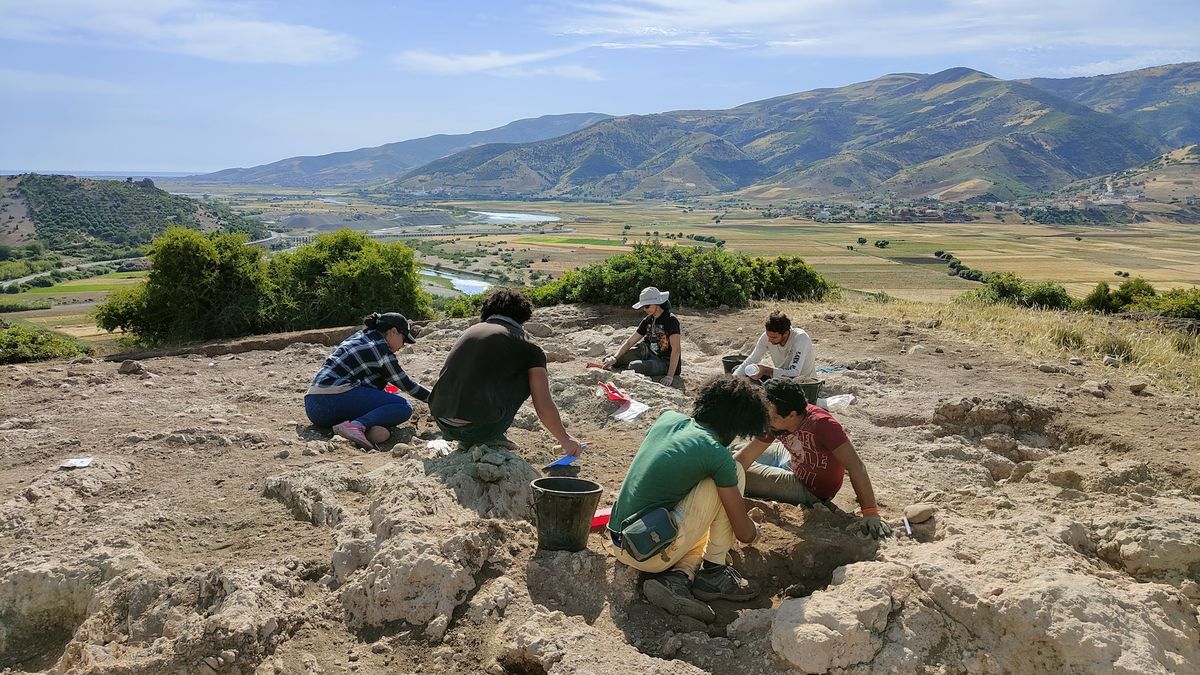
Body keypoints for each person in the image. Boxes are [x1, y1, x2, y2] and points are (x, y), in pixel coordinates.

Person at [608, 376, 767, 623]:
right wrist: (754, 531)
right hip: (647, 551)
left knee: (705, 513)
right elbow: (744, 534)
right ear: (736, 426)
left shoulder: (669, 419)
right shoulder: (717, 456)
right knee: (732, 473)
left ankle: (678, 579)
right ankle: (715, 572)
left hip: (623, 540)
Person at [429, 287, 585, 455]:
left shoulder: (469, 332)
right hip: (478, 428)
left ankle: (469, 438)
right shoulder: (528, 346)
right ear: (523, 317)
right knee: (531, 373)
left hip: (442, 421)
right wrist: (565, 439)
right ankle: (489, 438)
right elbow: (543, 405)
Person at [734, 378, 891, 539]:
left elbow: (856, 465)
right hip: (793, 457)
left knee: (739, 474)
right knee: (732, 453)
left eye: (772, 417)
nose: (767, 420)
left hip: (809, 488)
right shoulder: (776, 420)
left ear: (792, 415)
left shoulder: (823, 425)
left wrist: (870, 513)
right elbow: (746, 455)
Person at [305, 312, 428, 451]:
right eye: (404, 339)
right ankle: (356, 426)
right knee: (403, 406)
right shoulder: (380, 349)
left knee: (382, 422)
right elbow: (406, 384)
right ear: (393, 331)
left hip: (314, 407)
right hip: (332, 398)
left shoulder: (361, 337)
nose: (403, 345)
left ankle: (354, 429)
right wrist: (437, 399)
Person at [603, 286, 682, 387]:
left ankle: (635, 367)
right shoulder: (648, 320)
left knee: (634, 366)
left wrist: (670, 376)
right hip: (647, 352)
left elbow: (676, 350)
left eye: (647, 306)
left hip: (665, 361)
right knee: (610, 359)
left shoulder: (671, 320)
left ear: (657, 303)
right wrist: (614, 358)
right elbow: (630, 342)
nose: (645, 309)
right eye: (643, 307)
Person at [732, 310, 815, 381]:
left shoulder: (800, 338)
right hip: (781, 378)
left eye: (774, 337)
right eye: (768, 336)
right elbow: (752, 360)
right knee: (740, 371)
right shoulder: (767, 337)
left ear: (785, 333)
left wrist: (766, 370)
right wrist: (734, 378)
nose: (769, 340)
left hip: (804, 383)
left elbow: (795, 372)